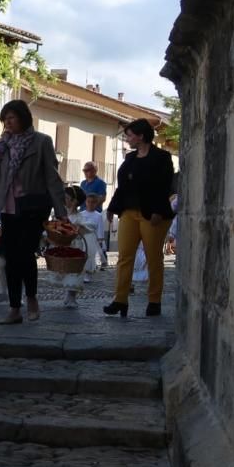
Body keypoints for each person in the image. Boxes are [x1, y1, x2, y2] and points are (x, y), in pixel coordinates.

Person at [0, 100, 67, 325]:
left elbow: (52, 177)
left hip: (33, 206)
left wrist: (61, 211)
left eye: (11, 118)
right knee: (8, 258)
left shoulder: (41, 142)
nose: (7, 122)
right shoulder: (2, 146)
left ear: (23, 118)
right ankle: (14, 308)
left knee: (25, 255)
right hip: (8, 208)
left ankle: (31, 298)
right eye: (5, 119)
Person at [104, 119, 175, 318]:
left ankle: (154, 301)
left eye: (130, 135)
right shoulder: (130, 159)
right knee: (124, 257)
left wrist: (159, 211)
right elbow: (122, 186)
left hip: (153, 215)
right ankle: (120, 300)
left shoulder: (162, 157)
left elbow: (164, 186)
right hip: (128, 212)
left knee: (153, 258)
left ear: (141, 136)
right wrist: (112, 207)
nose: (127, 139)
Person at [52, 186, 99, 309]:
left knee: (74, 271)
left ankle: (71, 296)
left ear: (74, 202)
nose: (64, 200)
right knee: (64, 270)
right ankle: (67, 294)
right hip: (63, 247)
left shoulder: (79, 218)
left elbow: (88, 227)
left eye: (66, 198)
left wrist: (75, 227)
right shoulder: (59, 215)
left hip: (75, 248)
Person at [80, 161, 109, 267]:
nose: (85, 172)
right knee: (85, 237)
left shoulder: (100, 183)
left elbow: (102, 197)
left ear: (94, 171)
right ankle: (85, 260)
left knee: (97, 237)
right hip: (83, 212)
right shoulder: (83, 183)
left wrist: (92, 206)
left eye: (87, 170)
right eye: (84, 170)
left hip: (95, 213)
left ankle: (103, 258)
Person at [79, 193, 105, 280]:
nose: (90, 204)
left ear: (96, 203)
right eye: (89, 202)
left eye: (93, 202)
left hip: (92, 238)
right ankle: (81, 271)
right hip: (82, 237)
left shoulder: (98, 215)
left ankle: (88, 273)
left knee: (90, 255)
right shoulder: (81, 214)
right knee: (81, 254)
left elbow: (100, 229)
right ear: (86, 202)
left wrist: (100, 240)